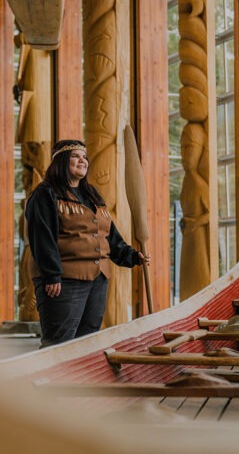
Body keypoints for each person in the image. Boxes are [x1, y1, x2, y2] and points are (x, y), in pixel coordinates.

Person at [25, 139, 150, 348]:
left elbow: (108, 234)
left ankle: (79, 380)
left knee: (87, 342)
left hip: (98, 278)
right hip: (63, 279)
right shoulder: (45, 193)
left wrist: (131, 255)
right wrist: (51, 275)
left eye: (84, 157)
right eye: (75, 156)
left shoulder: (92, 194)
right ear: (61, 161)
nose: (82, 160)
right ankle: (56, 380)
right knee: (60, 341)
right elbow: (41, 238)